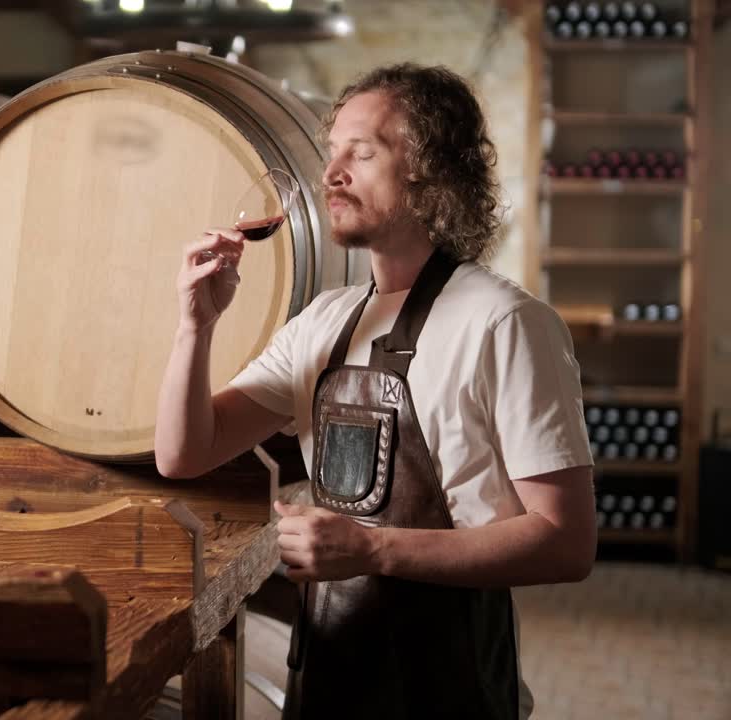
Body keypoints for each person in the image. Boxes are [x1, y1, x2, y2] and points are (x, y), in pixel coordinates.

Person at [154, 63, 596, 719]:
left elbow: (567, 542)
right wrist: (197, 326)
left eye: (362, 153)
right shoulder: (324, 323)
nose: (332, 172)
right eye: (333, 152)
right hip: (328, 676)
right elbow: (185, 454)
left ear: (431, 173)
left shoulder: (505, 322)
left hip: (449, 685)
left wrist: (372, 549)